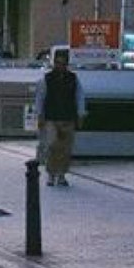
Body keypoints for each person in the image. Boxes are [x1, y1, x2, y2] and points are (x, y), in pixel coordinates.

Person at [33, 45, 86, 188]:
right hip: (51, 117)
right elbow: (40, 98)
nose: (61, 66)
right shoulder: (47, 79)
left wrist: (81, 114)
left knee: (65, 148)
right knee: (52, 145)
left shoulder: (73, 79)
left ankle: (61, 174)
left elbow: (79, 97)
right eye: (58, 63)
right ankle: (51, 174)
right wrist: (39, 115)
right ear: (54, 63)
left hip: (68, 117)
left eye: (63, 63)